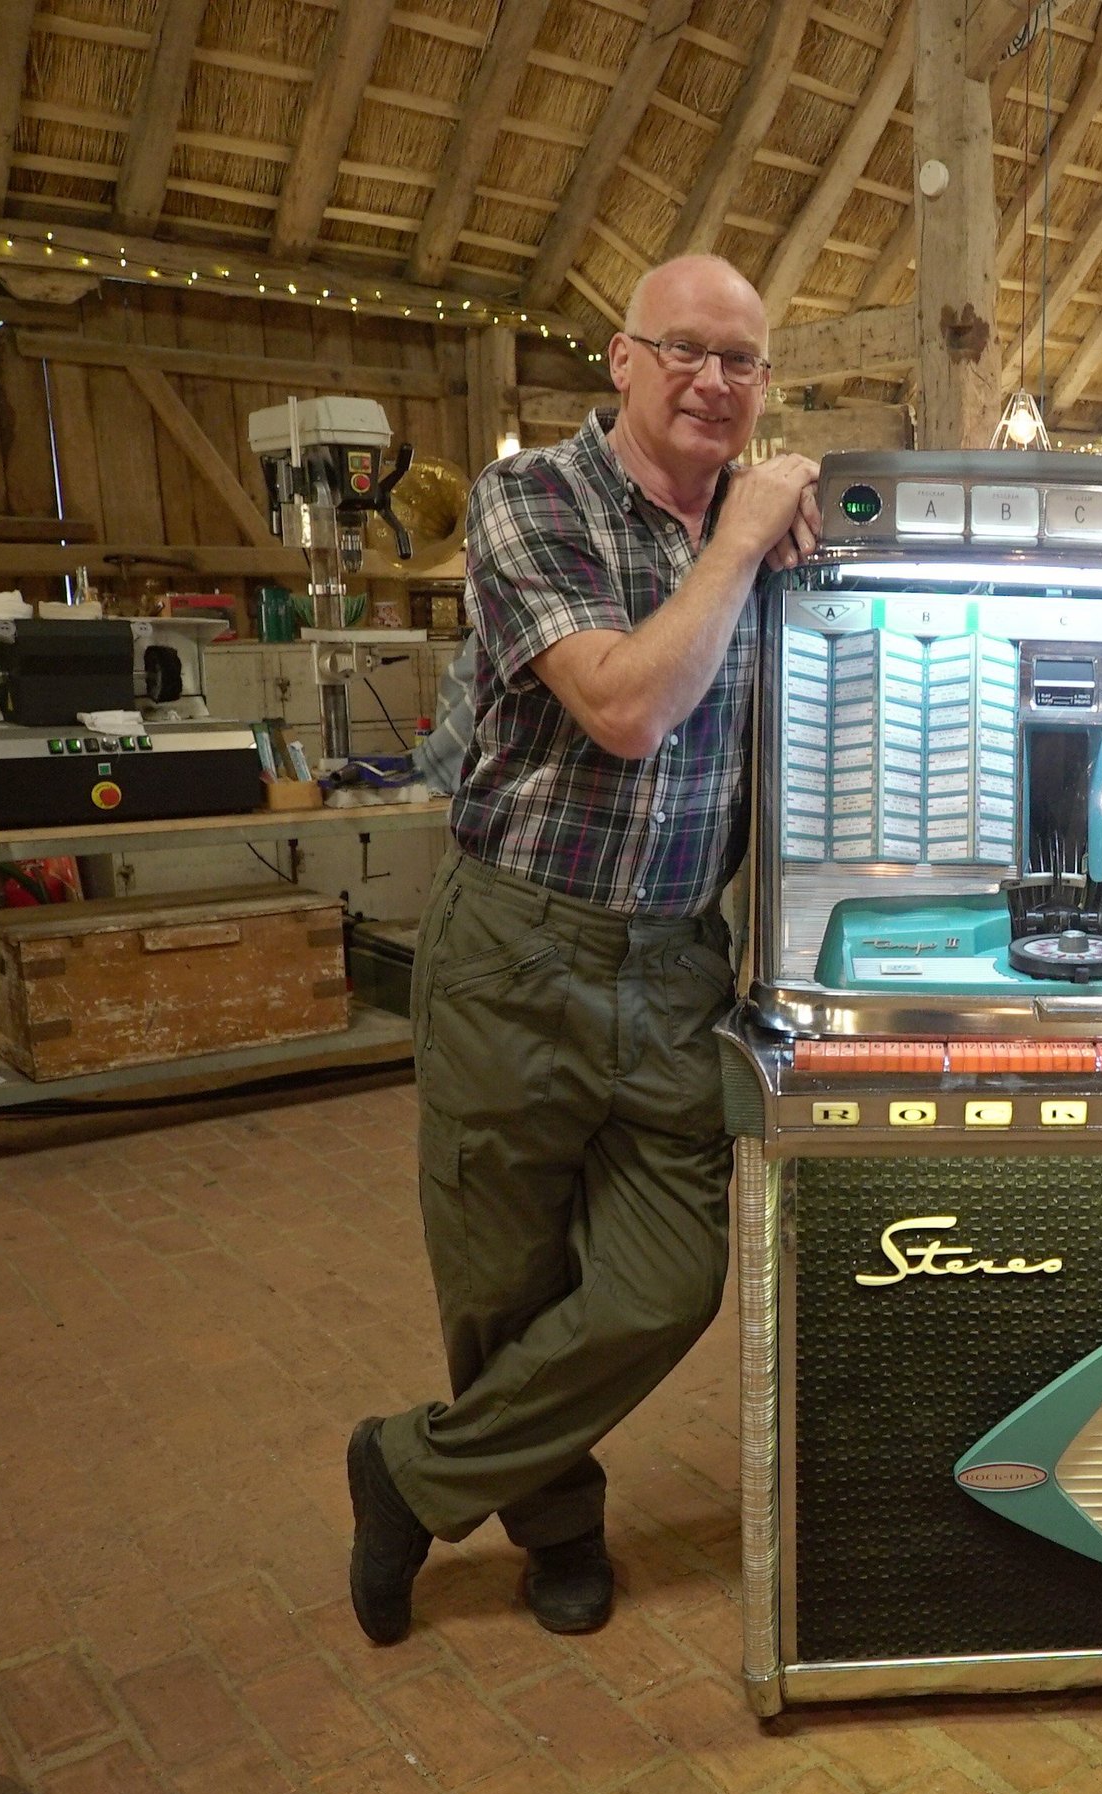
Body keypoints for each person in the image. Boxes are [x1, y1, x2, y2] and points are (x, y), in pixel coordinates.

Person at [347, 256, 819, 1647]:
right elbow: (623, 706)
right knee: (502, 1282)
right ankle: (559, 1528)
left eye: (741, 361)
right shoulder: (531, 502)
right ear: (621, 359)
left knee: (668, 1277)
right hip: (518, 944)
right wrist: (738, 542)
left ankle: (408, 1470)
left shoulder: (773, 530)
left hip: (679, 957)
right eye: (685, 350)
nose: (713, 382)